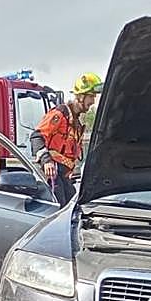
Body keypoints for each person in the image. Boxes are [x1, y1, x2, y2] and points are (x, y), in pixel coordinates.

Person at [30, 72, 102, 204]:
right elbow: (37, 136)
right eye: (91, 96)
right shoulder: (59, 114)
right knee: (61, 209)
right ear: (80, 96)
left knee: (75, 206)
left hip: (64, 176)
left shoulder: (75, 123)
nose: (92, 101)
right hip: (53, 175)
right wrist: (47, 161)